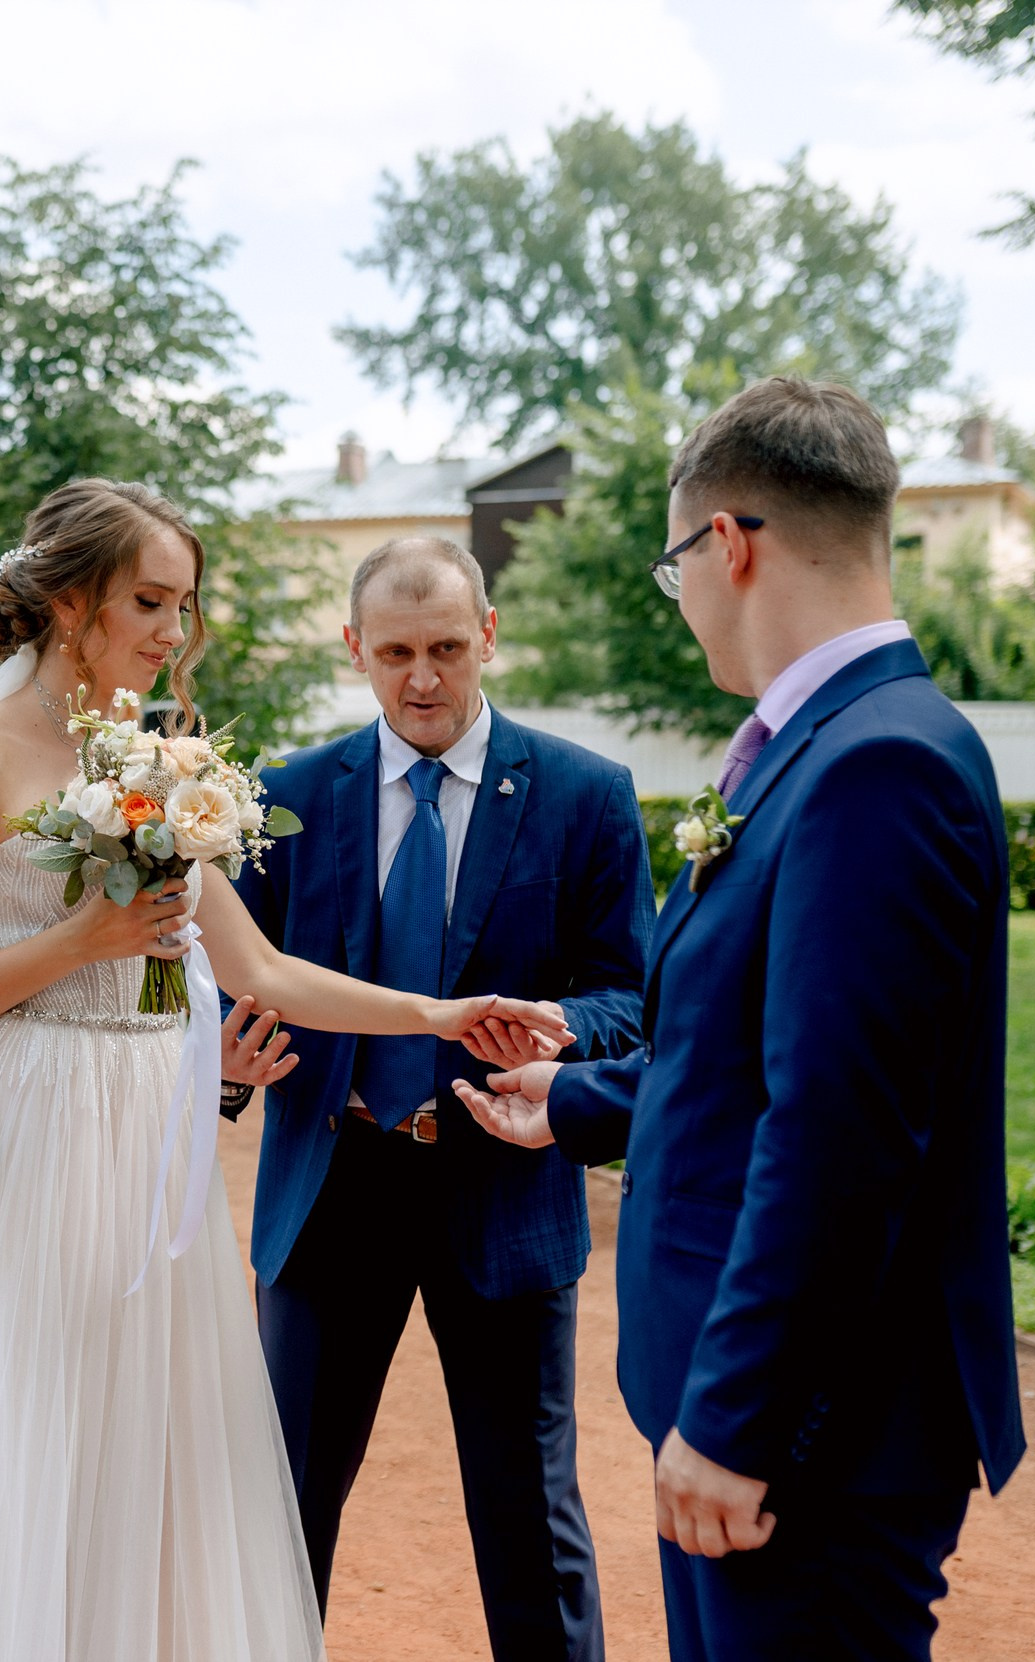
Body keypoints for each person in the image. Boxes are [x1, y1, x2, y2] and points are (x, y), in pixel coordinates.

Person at [0, 478, 575, 1661]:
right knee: (22, 1433)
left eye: (183, 606)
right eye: (150, 601)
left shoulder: (162, 759)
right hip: (32, 1135)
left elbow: (262, 968)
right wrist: (78, 942)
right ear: (66, 600)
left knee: (141, 1439)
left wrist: (438, 1012)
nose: (173, 632)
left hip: (152, 1146)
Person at [459, 378, 1025, 1662]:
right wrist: (577, 1100)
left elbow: (839, 1138)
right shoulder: (829, 741)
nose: (689, 603)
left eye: (678, 569)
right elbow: (759, 1068)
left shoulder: (875, 765)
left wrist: (735, 1422)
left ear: (728, 542)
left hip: (804, 1441)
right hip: (770, 1415)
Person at [220, 535, 653, 1656]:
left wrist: (564, 1029)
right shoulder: (282, 801)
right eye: (398, 651)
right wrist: (224, 1070)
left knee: (527, 1512)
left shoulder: (585, 795)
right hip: (333, 1183)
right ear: (354, 647)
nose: (423, 678)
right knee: (285, 1500)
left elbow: (631, 997)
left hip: (503, 1184)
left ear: (489, 638)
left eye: (448, 648)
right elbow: (225, 987)